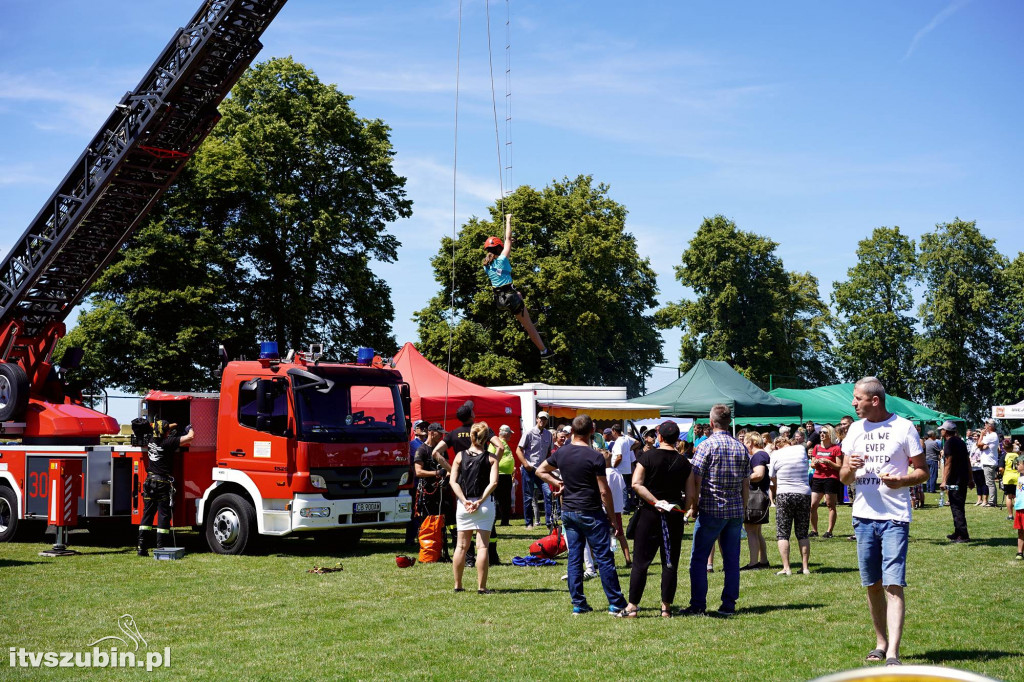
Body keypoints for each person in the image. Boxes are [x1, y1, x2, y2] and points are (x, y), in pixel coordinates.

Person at [839, 376, 928, 667]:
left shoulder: (904, 428)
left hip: (894, 518)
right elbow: (843, 477)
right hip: (863, 518)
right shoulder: (853, 429)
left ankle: (893, 653)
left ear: (874, 400)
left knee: (893, 584)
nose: (853, 403)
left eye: (857, 398)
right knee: (872, 584)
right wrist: (849, 470)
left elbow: (923, 471)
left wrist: (902, 480)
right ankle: (880, 643)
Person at [536, 414, 629, 616]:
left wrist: (556, 483)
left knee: (574, 558)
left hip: (569, 511)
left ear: (572, 432)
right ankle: (615, 603)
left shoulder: (562, 453)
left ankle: (578, 603)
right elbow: (604, 491)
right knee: (604, 558)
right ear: (591, 432)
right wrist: (613, 519)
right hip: (591, 511)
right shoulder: (595, 456)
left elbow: (540, 470)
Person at [682, 404, 750, 617]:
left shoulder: (706, 446)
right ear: (729, 422)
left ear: (711, 423)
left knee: (699, 559)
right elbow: (746, 483)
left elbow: (696, 478)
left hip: (711, 508)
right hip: (735, 510)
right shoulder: (741, 447)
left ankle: (698, 604)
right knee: (732, 559)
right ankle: (729, 604)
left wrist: (692, 505)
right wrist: (744, 506)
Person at [624, 420, 695, 618]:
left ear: (660, 437)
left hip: (649, 514)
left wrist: (656, 501)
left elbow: (636, 484)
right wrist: (685, 509)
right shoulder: (684, 463)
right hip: (673, 515)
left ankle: (632, 607)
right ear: (677, 439)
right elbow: (690, 496)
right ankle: (666, 608)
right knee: (670, 562)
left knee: (640, 562)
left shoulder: (647, 457)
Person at [481, 215, 554, 359]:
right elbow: (508, 239)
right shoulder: (502, 259)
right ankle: (544, 351)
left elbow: (506, 244)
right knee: (529, 326)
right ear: (500, 248)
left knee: (518, 293)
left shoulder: (486, 267)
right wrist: (508, 220)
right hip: (510, 298)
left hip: (500, 300)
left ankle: (520, 301)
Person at [449, 423, 500, 593]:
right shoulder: (492, 458)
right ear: (486, 439)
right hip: (484, 504)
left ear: (471, 437)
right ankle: (482, 587)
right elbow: (493, 483)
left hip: (464, 505)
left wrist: (464, 500)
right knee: (483, 546)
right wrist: (480, 501)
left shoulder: (459, 456)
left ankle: (458, 585)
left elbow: (453, 481)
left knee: (461, 546)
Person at [137, 420, 194, 556]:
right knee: (163, 515)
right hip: (162, 484)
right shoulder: (168, 443)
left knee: (147, 516)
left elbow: (160, 428)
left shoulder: (151, 440)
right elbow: (190, 438)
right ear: (166, 433)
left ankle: (141, 548)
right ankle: (161, 548)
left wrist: (172, 426)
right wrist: (190, 427)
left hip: (150, 482)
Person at [769, 435, 812, 575]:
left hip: (784, 493)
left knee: (783, 533)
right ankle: (805, 567)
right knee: (802, 533)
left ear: (777, 445)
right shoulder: (800, 449)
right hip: (803, 493)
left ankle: (786, 568)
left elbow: (772, 475)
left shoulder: (776, 454)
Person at [516, 411, 553, 529]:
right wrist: (526, 464)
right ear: (537, 419)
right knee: (528, 496)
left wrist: (548, 466)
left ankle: (549, 522)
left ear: (547, 421)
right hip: (529, 469)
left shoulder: (549, 435)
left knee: (548, 493)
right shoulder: (529, 433)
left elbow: (549, 452)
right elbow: (518, 450)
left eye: (545, 419)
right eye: (541, 418)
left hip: (541, 470)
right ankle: (529, 523)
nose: (542, 421)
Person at [741, 432, 771, 570]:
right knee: (757, 532)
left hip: (755, 497)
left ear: (751, 442)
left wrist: (743, 478)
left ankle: (753, 563)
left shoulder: (758, 456)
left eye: (746, 442)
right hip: (761, 496)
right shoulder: (763, 454)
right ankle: (763, 560)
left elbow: (759, 474)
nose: (745, 445)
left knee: (751, 530)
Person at [938, 420, 972, 543]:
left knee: (956, 506)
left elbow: (948, 462)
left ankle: (963, 535)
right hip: (962, 478)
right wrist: (970, 478)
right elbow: (968, 461)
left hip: (955, 479)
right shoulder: (961, 442)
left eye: (942, 429)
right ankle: (958, 531)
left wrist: (944, 481)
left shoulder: (949, 443)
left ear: (946, 431)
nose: (941, 431)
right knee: (958, 506)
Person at [809, 425, 843, 538]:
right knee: (813, 505)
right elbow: (812, 464)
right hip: (818, 477)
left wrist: (828, 462)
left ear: (830, 434)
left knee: (830, 504)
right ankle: (814, 530)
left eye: (824, 432)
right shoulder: (817, 447)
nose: (822, 434)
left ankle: (829, 531)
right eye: (821, 432)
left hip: (831, 478)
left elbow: (839, 466)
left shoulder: (836, 448)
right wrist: (816, 463)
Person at [492, 425, 516, 526]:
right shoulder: (495, 443)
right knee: (497, 499)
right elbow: (491, 457)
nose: (511, 435)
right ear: (506, 434)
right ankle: (493, 520)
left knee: (506, 500)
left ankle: (505, 521)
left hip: (506, 475)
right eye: (510, 433)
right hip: (499, 475)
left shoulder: (505, 443)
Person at [977, 420, 1000, 507]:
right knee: (990, 482)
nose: (985, 426)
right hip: (989, 462)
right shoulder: (992, 436)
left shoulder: (991, 436)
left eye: (986, 424)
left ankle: (992, 502)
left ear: (990, 426)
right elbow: (980, 446)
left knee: (990, 483)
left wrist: (982, 435)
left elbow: (979, 444)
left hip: (989, 462)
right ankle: (992, 501)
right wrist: (981, 446)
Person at [1000, 438, 1019, 522]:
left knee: (1009, 496)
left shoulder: (1004, 456)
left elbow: (1000, 469)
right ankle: (1020, 514)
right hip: (1017, 477)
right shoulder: (1017, 455)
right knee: (1016, 496)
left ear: (1004, 447)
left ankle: (1010, 515)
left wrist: (1002, 474)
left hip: (1008, 477)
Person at [968, 430, 988, 506]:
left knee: (983, 483)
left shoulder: (983, 444)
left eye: (976, 436)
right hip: (974, 466)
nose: (975, 437)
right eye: (974, 436)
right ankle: (979, 499)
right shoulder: (973, 445)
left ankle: (985, 500)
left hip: (981, 466)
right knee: (977, 483)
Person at [923, 430, 942, 494]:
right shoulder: (934, 443)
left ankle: (928, 488)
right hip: (933, 460)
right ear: (932, 435)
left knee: (928, 475)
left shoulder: (925, 442)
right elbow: (938, 451)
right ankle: (932, 489)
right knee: (933, 475)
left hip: (926, 460)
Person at [1013, 456, 1024, 560]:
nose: (1016, 465)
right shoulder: (1019, 478)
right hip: (1020, 508)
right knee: (1020, 530)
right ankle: (1020, 552)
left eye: (1018, 464)